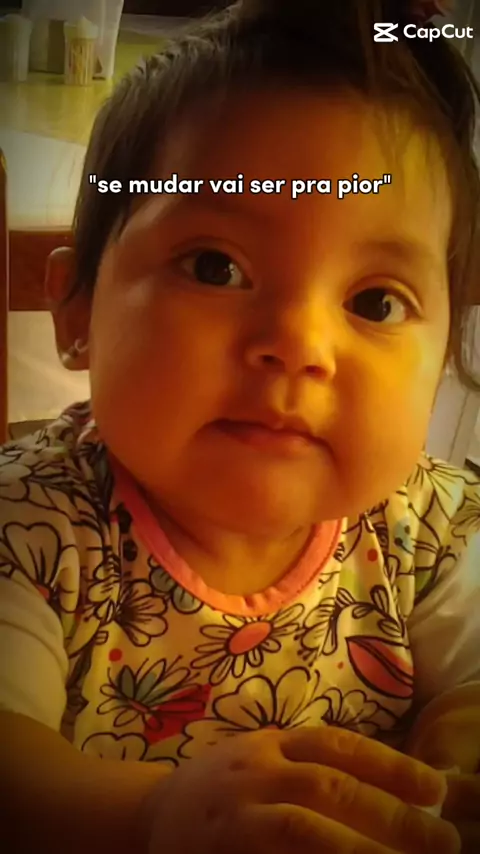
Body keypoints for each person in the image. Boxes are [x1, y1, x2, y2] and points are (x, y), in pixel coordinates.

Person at [0, 0, 479, 851]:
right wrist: (146, 815)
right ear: (76, 310)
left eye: (376, 302)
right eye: (215, 266)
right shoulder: (30, 535)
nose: (299, 344)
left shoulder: (432, 533)